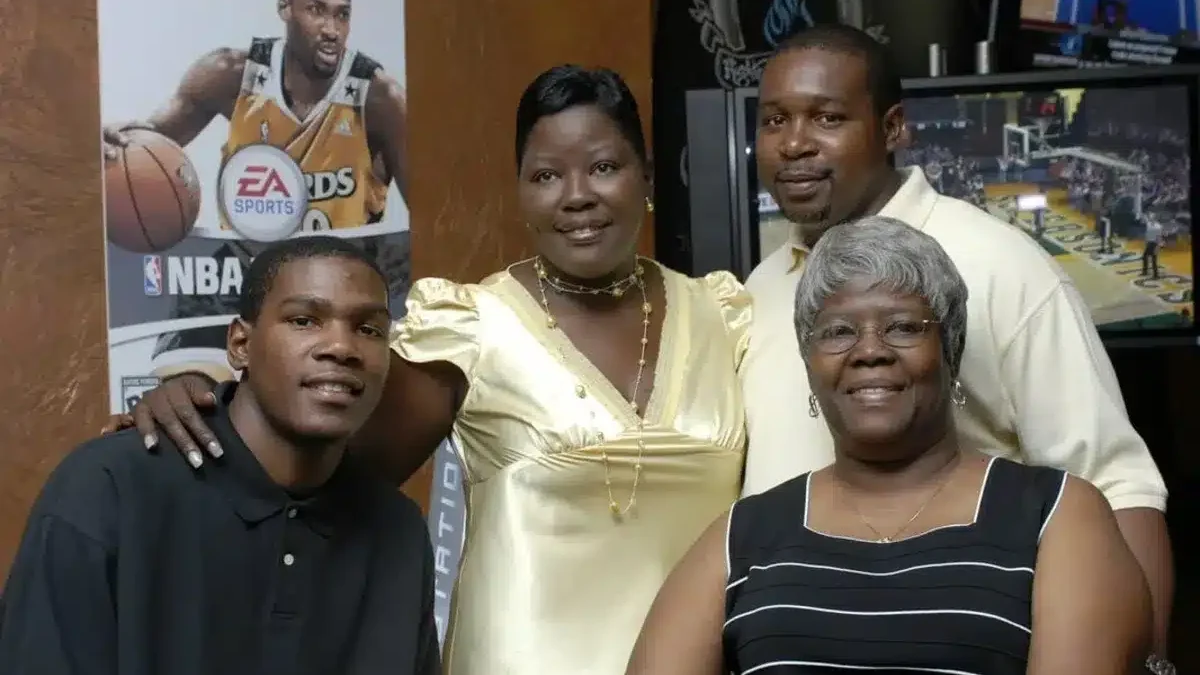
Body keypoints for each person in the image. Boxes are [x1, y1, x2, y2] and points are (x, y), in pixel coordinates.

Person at [102, 66, 751, 674]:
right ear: (521, 192)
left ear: (648, 174)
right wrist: (200, 398)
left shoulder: (726, 316)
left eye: (604, 166)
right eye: (546, 175)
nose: (576, 195)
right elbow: (320, 477)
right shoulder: (475, 325)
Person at [737, 24, 1175, 659]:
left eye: (826, 117)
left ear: (892, 128)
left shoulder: (999, 265)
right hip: (798, 641)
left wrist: (1153, 661)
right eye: (774, 120)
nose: (794, 144)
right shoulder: (764, 283)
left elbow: (1116, 485)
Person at [627, 217, 1152, 675]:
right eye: (838, 332)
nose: (870, 351)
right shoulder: (742, 536)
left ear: (950, 350)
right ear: (810, 367)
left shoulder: (1056, 515)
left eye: (902, 327)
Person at [0, 237, 439, 675]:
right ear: (239, 345)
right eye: (304, 320)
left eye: (369, 329)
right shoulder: (109, 488)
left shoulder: (397, 531)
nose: (341, 347)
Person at [102, 0, 408, 225]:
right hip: (252, 282)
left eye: (342, 15)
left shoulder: (380, 100)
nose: (332, 30)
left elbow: (435, 217)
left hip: (341, 286)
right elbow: (149, 145)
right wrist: (110, 145)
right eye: (316, 10)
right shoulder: (228, 75)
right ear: (285, 7)